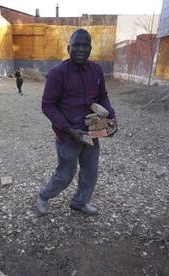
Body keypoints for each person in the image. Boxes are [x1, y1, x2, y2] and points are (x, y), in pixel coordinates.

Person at [36, 29, 118, 216]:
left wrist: (111, 118)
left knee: (90, 173)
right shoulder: (57, 74)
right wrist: (70, 130)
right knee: (65, 175)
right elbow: (47, 106)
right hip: (67, 135)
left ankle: (80, 202)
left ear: (90, 48)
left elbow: (102, 96)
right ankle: (43, 195)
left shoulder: (96, 70)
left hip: (92, 132)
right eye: (76, 45)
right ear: (68, 48)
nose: (81, 49)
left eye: (85, 45)